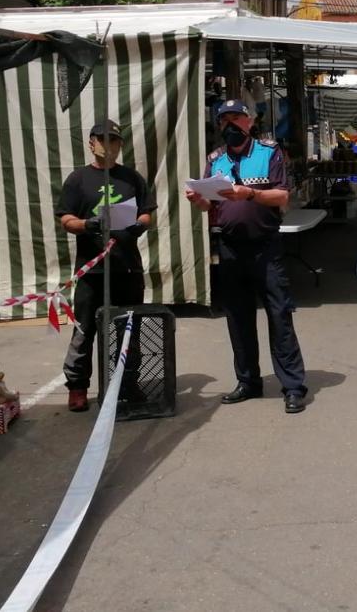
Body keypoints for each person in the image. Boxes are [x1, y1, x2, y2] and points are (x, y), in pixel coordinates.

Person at [185, 99, 308, 414]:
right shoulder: (215, 160)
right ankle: (248, 381)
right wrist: (198, 199)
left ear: (249, 122)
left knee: (279, 316)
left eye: (236, 118)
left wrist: (249, 193)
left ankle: (293, 387)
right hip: (229, 247)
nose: (230, 125)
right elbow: (208, 207)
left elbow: (282, 195)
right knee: (238, 319)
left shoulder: (269, 152)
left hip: (265, 246)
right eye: (224, 120)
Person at [55, 120, 155, 412]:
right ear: (91, 143)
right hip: (91, 270)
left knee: (128, 330)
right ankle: (77, 387)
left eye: (114, 141)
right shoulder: (78, 180)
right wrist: (88, 225)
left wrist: (139, 225)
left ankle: (128, 383)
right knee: (84, 330)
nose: (108, 146)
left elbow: (148, 212)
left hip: (127, 268)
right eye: (102, 139)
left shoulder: (131, 178)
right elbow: (65, 219)